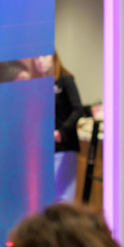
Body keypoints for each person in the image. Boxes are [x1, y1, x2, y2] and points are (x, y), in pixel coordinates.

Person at [32, 53, 83, 203]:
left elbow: (77, 109)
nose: (40, 61)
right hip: (45, 148)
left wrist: (61, 131)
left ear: (54, 58)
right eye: (37, 57)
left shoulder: (65, 80)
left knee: (63, 196)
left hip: (64, 147)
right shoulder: (38, 84)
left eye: (44, 56)